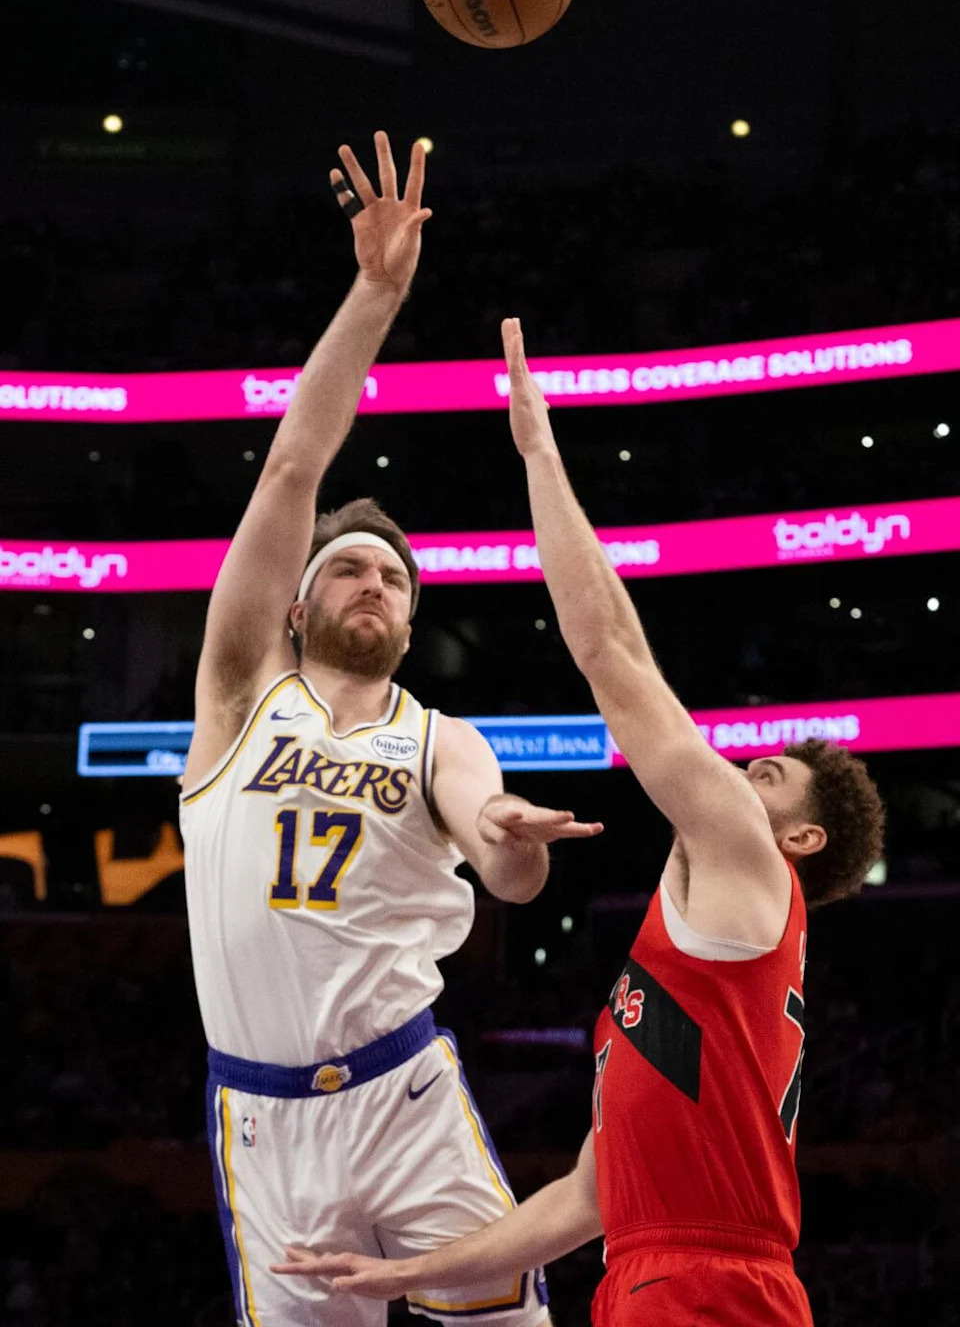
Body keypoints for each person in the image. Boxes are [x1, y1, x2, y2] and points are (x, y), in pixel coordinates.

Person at [272, 316, 886, 1325]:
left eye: (766, 775)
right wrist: (403, 1278)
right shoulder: (695, 958)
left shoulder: (744, 855)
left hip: (706, 1282)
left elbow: (610, 650)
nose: (736, 772)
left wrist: (538, 449)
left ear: (801, 840)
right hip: (653, 1273)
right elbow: (581, 1203)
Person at [180, 142, 601, 1327]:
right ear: (298, 605)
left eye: (394, 580)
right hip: (261, 1120)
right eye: (348, 568)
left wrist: (512, 838)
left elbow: (507, 866)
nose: (372, 582)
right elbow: (293, 466)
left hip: (404, 1093)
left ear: (412, 625)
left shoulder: (439, 740)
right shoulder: (237, 698)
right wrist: (376, 296)